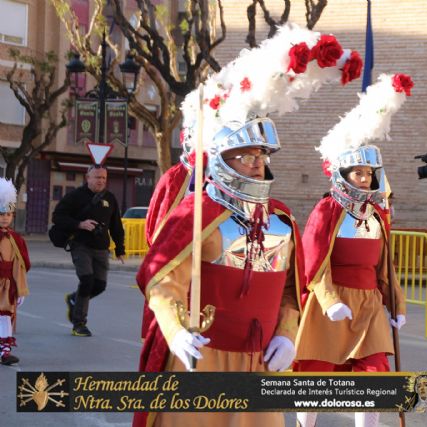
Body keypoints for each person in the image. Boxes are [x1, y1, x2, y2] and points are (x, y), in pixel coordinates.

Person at [133, 24, 363, 427]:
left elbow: (292, 294)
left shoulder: (281, 219)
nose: (258, 162)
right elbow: (161, 283)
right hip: (203, 358)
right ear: (222, 159)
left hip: (259, 364)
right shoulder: (197, 213)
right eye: (246, 155)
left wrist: (288, 335)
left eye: (261, 153)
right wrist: (174, 330)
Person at [295, 73, 412, 427]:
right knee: (315, 374)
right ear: (343, 173)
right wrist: (330, 302)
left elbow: (385, 266)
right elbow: (313, 261)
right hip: (331, 302)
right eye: (358, 173)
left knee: (373, 373)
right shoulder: (327, 209)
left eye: (368, 173)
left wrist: (396, 302)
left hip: (369, 303)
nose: (365, 179)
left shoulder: (378, 214)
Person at [52, 165, 125, 337]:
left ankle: (73, 299)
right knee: (86, 280)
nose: (101, 181)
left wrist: (120, 249)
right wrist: (80, 224)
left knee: (99, 286)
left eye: (104, 178)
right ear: (88, 178)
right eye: (97, 177)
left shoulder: (110, 198)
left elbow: (116, 226)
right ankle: (79, 324)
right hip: (80, 245)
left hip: (101, 248)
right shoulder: (75, 196)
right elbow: (58, 217)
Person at [0, 179, 30, 365]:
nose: (5, 217)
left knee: (5, 315)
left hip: (8, 284)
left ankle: (5, 350)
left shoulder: (16, 239)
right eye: (1, 214)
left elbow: (21, 265)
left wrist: (21, 289)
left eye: (9, 214)